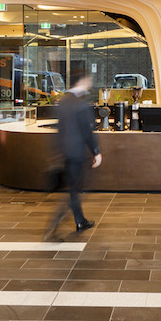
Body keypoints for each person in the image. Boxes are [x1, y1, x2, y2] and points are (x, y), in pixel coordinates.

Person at [44, 72, 101, 241]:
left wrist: (57, 151)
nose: (89, 83)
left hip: (65, 152)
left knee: (73, 189)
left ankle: (80, 221)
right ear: (82, 81)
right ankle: (51, 229)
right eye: (88, 80)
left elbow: (59, 128)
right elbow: (88, 131)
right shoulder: (82, 104)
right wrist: (96, 152)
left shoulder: (63, 102)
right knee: (74, 190)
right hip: (76, 153)